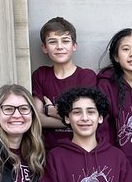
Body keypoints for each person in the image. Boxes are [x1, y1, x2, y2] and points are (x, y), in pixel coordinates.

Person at [97, 27, 132, 181]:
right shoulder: (105, 86)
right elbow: (101, 131)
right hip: (114, 167)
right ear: (116, 56)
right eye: (125, 49)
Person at [31, 17, 98, 152]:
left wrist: (49, 111)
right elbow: (37, 119)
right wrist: (71, 120)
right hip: (48, 150)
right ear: (44, 48)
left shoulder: (86, 76)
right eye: (52, 42)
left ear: (74, 45)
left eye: (65, 41)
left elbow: (85, 118)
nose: (59, 46)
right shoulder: (41, 75)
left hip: (78, 149)